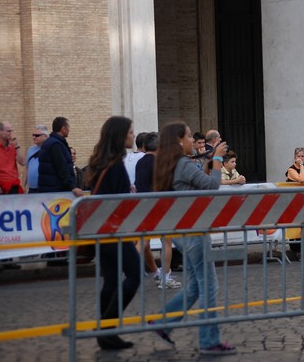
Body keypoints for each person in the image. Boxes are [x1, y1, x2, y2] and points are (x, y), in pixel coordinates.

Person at [150, 121, 236, 356]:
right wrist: (217, 160)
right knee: (210, 286)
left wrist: (207, 164)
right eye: (188, 136)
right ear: (179, 141)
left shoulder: (167, 164)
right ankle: (209, 340)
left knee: (198, 285)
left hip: (180, 230)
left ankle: (163, 323)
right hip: (193, 230)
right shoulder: (183, 164)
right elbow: (211, 187)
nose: (192, 140)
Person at [85, 116, 140, 350]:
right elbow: (119, 201)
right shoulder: (115, 164)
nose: (133, 135)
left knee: (111, 281)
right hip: (113, 231)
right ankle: (106, 328)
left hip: (100, 229)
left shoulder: (100, 162)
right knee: (135, 275)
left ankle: (107, 333)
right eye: (130, 132)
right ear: (120, 136)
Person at [134, 132, 178, 288]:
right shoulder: (161, 163)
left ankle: (127, 269)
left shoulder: (140, 162)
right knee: (166, 241)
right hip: (160, 206)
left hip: (143, 205)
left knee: (142, 240)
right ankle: (165, 278)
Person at [38, 117, 84, 196]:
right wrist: (72, 186)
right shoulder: (56, 144)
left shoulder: (50, 142)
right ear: (63, 129)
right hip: (56, 190)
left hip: (49, 188)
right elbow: (62, 166)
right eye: (68, 128)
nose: (69, 130)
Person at [0, 122, 26, 194]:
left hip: (13, 185)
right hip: (0, 186)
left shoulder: (13, 146)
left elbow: (22, 162)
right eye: (8, 131)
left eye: (11, 131)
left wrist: (17, 146)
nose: (11, 133)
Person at [24, 125, 49, 193]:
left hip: (45, 189)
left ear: (45, 136)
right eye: (33, 135)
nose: (34, 137)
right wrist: (23, 185)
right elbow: (27, 168)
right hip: (31, 189)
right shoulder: (30, 150)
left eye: (37, 135)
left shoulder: (50, 149)